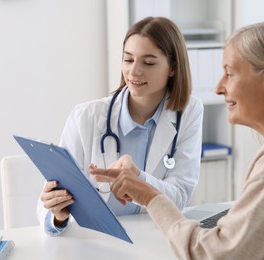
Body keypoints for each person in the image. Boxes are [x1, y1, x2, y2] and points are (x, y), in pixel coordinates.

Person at [91, 21, 264, 259]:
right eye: (128, 60)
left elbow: (214, 255)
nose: (218, 87)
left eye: (229, 73)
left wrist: (150, 196)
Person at [37, 16, 204, 236]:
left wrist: (138, 179)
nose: (134, 71)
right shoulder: (85, 117)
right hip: (97, 239)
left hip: (155, 237)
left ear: (172, 68)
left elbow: (180, 195)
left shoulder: (188, 111)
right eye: (128, 60)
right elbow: (51, 197)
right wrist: (57, 215)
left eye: (148, 62)